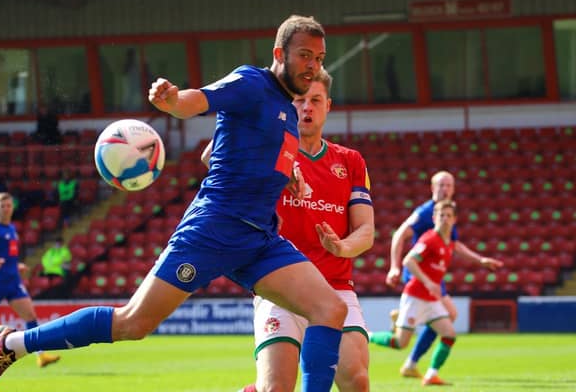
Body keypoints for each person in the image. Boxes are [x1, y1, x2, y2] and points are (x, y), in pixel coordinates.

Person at [0, 15, 347, 392]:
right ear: (279, 53)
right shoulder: (251, 83)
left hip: (259, 239)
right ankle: (11, 345)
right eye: (305, 55)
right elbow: (196, 101)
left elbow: (216, 154)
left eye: (319, 58)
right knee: (132, 324)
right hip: (214, 228)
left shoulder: (287, 112)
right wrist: (173, 101)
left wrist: (290, 174)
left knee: (330, 309)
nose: (313, 65)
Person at [209, 70, 373, 392]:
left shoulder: (350, 161)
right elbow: (214, 162)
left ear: (329, 105)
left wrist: (341, 246)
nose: (306, 108)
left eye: (315, 101)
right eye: (299, 100)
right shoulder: (269, 152)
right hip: (281, 287)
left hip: (335, 286)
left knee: (357, 380)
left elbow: (366, 230)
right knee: (276, 388)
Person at [384, 171, 503, 378]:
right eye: (440, 185)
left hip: (434, 276)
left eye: (448, 185)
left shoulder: (447, 213)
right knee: (446, 317)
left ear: (454, 189)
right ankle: (410, 357)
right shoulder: (425, 212)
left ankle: (409, 352)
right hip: (418, 274)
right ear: (432, 188)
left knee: (447, 317)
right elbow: (400, 235)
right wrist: (394, 266)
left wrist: (480, 260)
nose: (444, 189)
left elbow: (455, 245)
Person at [370, 200, 460, 386]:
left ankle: (431, 375)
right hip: (416, 296)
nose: (444, 219)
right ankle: (368, 335)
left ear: (454, 220)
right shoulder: (429, 239)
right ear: (434, 218)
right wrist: (428, 282)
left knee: (449, 334)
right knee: (399, 343)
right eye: (440, 215)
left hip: (431, 299)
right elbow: (409, 261)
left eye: (448, 216)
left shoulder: (449, 242)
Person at [0, 192, 60, 369]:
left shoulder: (11, 229)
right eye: (2, 206)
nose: (6, 209)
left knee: (30, 315)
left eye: (8, 205)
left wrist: (16, 266)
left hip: (13, 282)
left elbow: (9, 256)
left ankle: (41, 356)